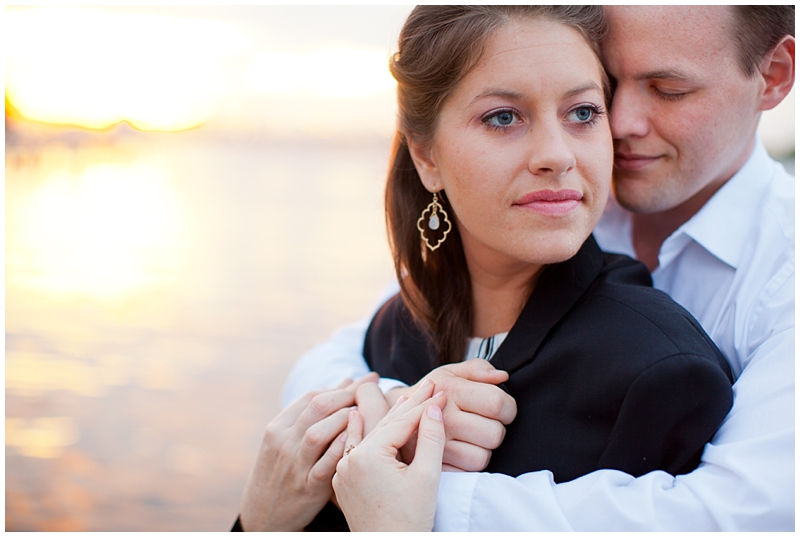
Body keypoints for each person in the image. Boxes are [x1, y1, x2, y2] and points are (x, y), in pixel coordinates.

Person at [282, 4, 795, 532]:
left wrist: (410, 483)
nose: (619, 125)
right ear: (425, 154)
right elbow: (353, 346)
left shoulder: (778, 275)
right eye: (609, 89)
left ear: (774, 77)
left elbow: (746, 512)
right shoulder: (548, 210)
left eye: (669, 89)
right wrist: (399, 407)